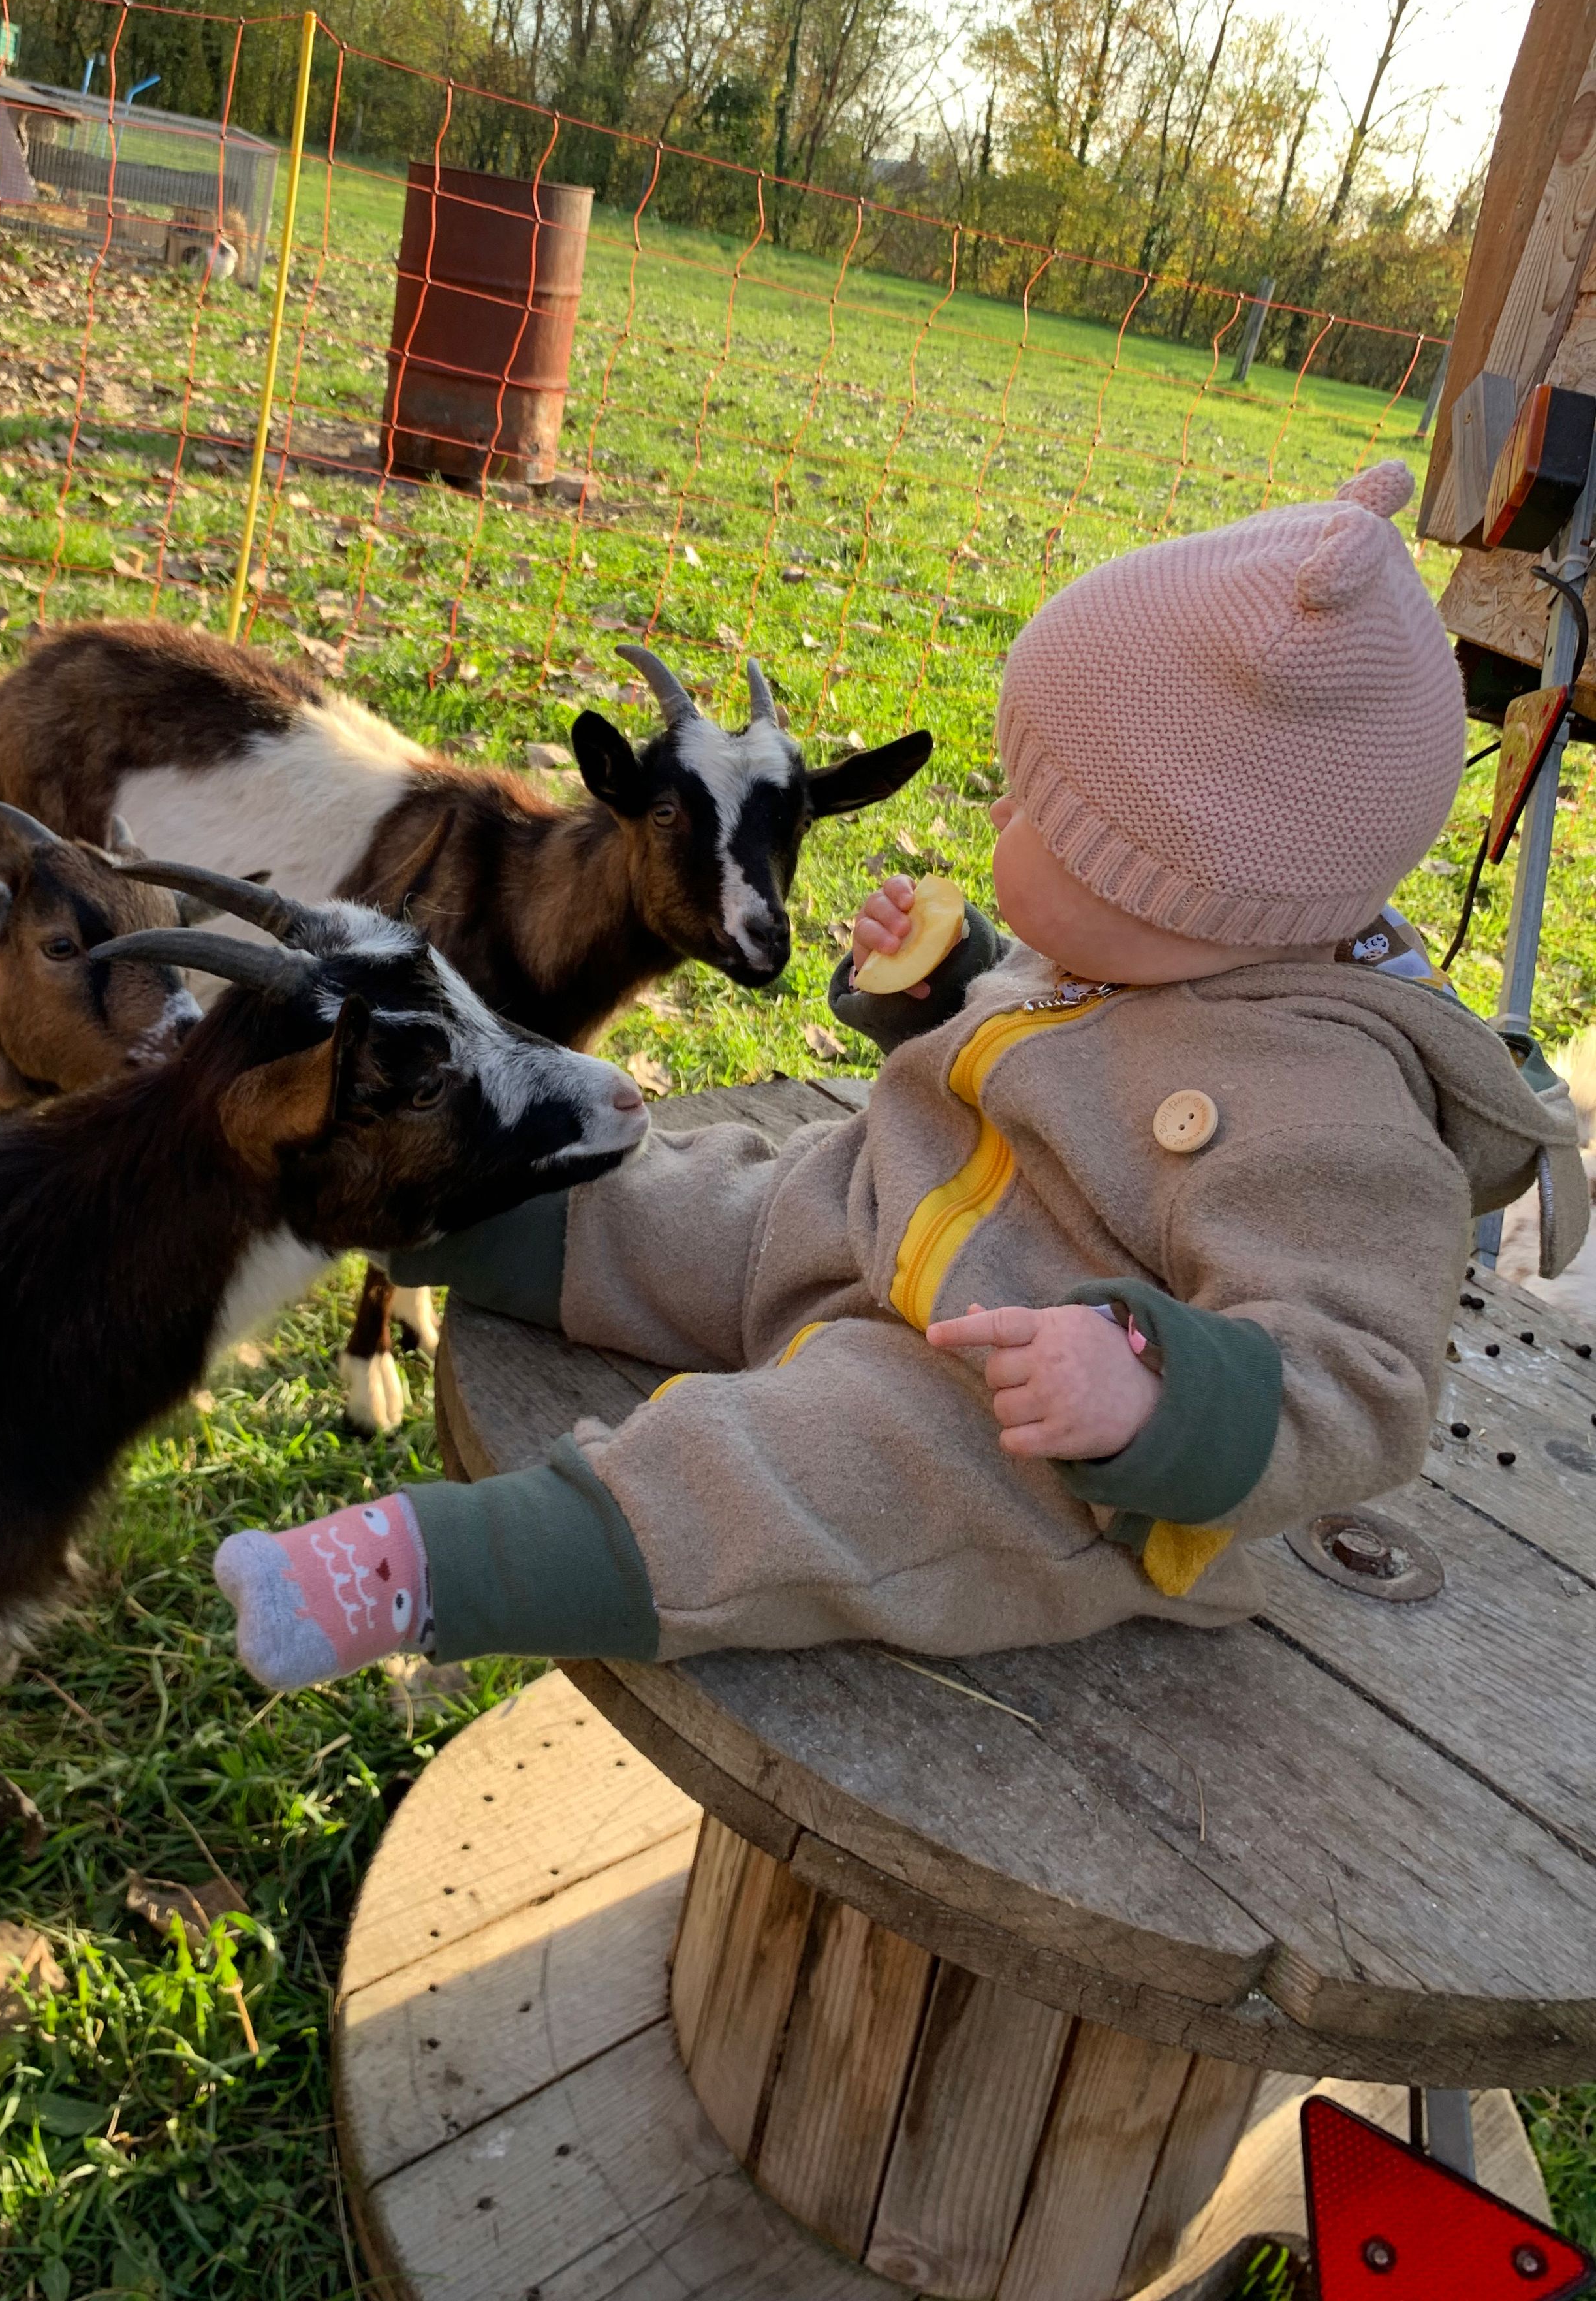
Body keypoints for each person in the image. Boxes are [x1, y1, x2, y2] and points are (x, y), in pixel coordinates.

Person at [213, 462, 1586, 1690]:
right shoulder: (1148, 944)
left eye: (1040, 811)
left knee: (788, 1469)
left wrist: (1157, 1390)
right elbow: (1051, 1054)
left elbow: (1363, 1375)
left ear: (1168, 884)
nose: (1001, 812)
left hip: (998, 1425)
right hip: (861, 1213)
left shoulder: (1337, 1109)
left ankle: (426, 1569)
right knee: (671, 1201)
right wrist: (943, 984)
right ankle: (422, 1203)